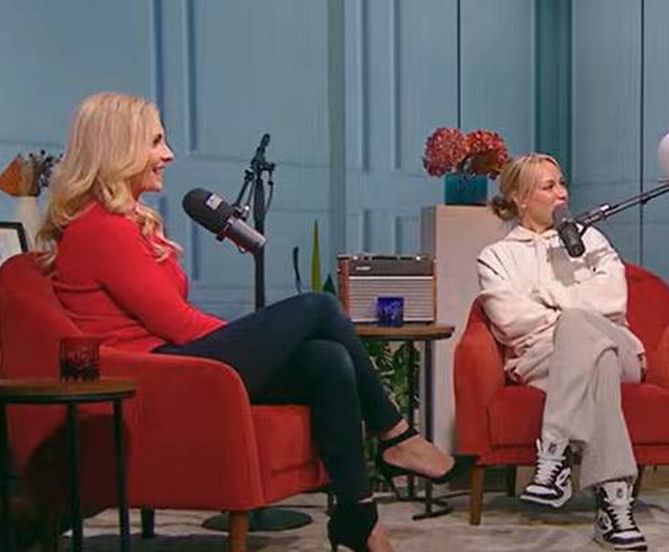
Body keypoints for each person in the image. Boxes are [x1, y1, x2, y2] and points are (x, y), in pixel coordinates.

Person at [39, 92, 471, 552]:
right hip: (151, 377)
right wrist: (256, 338)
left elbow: (174, 322)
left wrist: (257, 339)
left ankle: (358, 519)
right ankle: (394, 432)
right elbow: (180, 328)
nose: (168, 155)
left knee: (325, 360)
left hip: (171, 361)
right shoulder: (100, 229)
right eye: (155, 142)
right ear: (118, 148)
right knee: (318, 308)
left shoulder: (122, 225)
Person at [476, 153, 649, 551]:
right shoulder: (496, 256)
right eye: (548, 186)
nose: (562, 193)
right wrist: (573, 315)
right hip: (543, 359)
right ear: (520, 198)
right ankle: (615, 507)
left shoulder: (590, 239)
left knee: (584, 331)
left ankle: (553, 455)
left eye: (561, 183)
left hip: (619, 346)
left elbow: (612, 301)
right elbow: (510, 319)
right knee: (595, 356)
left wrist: (555, 303)